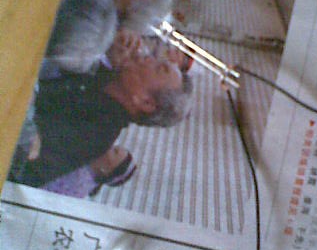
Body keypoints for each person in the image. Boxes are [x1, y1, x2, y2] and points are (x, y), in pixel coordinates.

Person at [17, 54, 193, 188]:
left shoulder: (97, 133)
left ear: (145, 102)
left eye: (160, 68)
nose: (149, 57)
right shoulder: (105, 73)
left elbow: (24, 141)